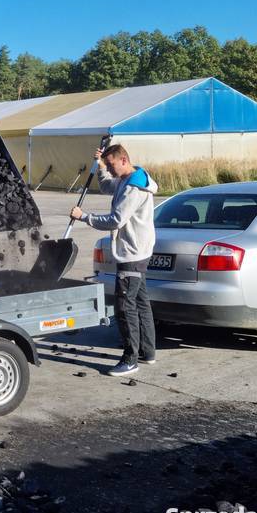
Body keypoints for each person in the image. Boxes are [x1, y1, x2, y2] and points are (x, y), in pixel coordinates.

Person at [70, 144, 158, 377]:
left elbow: (115, 220)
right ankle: (147, 351)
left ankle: (130, 359)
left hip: (131, 253)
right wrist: (101, 167)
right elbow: (106, 185)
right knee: (140, 302)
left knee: (124, 307)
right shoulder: (127, 179)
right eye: (107, 166)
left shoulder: (133, 189)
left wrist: (84, 217)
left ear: (123, 160)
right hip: (139, 250)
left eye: (111, 165)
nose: (110, 170)